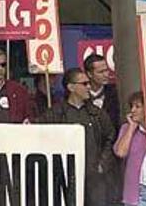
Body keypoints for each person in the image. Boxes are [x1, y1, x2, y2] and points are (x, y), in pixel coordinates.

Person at [42, 68, 115, 206]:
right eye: (84, 83)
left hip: (93, 178)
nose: (89, 87)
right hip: (66, 177)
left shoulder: (97, 113)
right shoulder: (55, 113)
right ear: (71, 87)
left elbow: (110, 137)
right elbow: (41, 135)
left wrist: (102, 163)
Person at [113, 91, 146, 206]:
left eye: (137, 106)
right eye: (132, 106)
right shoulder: (126, 128)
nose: (132, 110)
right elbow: (120, 153)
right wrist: (132, 128)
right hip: (137, 190)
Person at [83, 53, 120, 127]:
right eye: (101, 72)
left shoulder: (116, 92)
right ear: (89, 74)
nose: (106, 75)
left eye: (106, 70)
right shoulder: (81, 95)